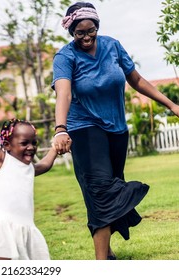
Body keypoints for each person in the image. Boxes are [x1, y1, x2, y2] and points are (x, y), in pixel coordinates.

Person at [51, 2, 179, 260]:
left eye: (91, 31)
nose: (86, 37)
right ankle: (103, 264)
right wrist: (60, 129)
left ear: (97, 27)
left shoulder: (113, 46)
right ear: (71, 32)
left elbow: (138, 81)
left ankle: (107, 253)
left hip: (117, 130)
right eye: (80, 33)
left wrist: (171, 104)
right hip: (84, 128)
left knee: (102, 192)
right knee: (101, 190)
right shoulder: (66, 57)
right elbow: (63, 93)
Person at [0, 78, 57, 260]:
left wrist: (56, 148)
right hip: (2, 230)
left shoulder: (29, 169)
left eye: (34, 143)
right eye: (24, 143)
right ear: (7, 145)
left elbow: (45, 164)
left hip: (26, 229)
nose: (31, 147)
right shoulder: (0, 160)